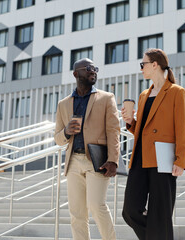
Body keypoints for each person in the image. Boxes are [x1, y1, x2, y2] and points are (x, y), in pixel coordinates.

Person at [121, 48, 185, 240]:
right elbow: (142, 129)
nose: (141, 68)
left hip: (164, 159)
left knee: (160, 213)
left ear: (155, 65)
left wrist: (181, 159)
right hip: (140, 159)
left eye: (143, 64)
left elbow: (182, 128)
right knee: (130, 211)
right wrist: (130, 122)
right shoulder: (144, 95)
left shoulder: (177, 92)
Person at [54, 58, 120, 240]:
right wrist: (66, 131)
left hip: (97, 160)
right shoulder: (63, 104)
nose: (93, 72)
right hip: (73, 161)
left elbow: (114, 131)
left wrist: (113, 159)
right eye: (89, 69)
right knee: (77, 213)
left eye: (95, 69)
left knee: (96, 205)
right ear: (76, 74)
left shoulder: (106, 98)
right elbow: (57, 138)